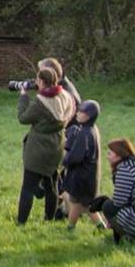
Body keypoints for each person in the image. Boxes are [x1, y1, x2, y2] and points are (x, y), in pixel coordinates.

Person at [16, 66, 72, 224]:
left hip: (38, 148)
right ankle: (49, 218)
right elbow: (70, 111)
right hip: (57, 145)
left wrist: (24, 96)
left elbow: (23, 118)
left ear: (41, 81)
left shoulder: (40, 103)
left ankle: (21, 222)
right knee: (52, 184)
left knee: (27, 187)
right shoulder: (64, 96)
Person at [61, 100, 102, 231]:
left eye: (81, 112)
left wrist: (65, 157)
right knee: (86, 204)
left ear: (89, 116)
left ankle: (70, 228)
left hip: (82, 177)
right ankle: (102, 226)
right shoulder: (92, 129)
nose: (77, 113)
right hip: (90, 175)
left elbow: (75, 158)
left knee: (77, 203)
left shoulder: (84, 133)